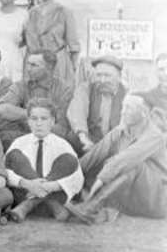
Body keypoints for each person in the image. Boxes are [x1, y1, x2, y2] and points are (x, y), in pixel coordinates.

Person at [67, 95, 167, 223]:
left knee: (131, 166)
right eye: (123, 107)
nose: (123, 112)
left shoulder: (155, 136)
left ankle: (90, 208)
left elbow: (127, 158)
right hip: (132, 196)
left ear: (144, 113)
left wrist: (101, 179)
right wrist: (67, 175)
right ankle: (94, 208)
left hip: (157, 199)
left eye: (129, 108)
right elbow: (94, 155)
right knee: (103, 163)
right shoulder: (120, 131)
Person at [4, 98, 84, 222]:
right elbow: (4, 172)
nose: (39, 123)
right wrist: (27, 183)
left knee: (69, 160)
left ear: (52, 122)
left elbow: (78, 178)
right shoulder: (20, 142)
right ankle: (54, 207)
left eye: (44, 119)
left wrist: (50, 186)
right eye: (34, 119)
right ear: (28, 121)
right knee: (14, 156)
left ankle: (26, 207)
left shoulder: (62, 144)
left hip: (53, 194)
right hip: (25, 193)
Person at [0, 50, 75, 149]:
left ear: (49, 68)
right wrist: (34, 115)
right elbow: (1, 110)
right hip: (22, 136)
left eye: (34, 65)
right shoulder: (21, 85)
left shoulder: (64, 90)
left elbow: (61, 129)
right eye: (27, 64)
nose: (28, 69)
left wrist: (27, 120)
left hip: (52, 140)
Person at [24, 0, 80, 87]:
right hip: (35, 62)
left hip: (58, 63)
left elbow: (73, 44)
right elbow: (27, 40)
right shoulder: (31, 13)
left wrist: (73, 67)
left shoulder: (64, 12)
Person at [67, 55, 127, 154]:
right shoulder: (86, 89)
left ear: (119, 77)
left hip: (116, 145)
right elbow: (77, 112)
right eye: (98, 75)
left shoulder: (127, 94)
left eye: (107, 76)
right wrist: (84, 138)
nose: (102, 80)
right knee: (71, 137)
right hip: (89, 142)